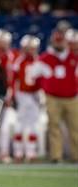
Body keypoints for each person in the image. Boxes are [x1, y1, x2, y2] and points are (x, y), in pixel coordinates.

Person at [30, 29, 78, 162]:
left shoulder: (73, 57)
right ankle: (56, 156)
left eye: (61, 41)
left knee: (75, 127)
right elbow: (32, 75)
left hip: (72, 97)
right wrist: (44, 84)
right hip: (52, 98)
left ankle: (76, 156)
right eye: (57, 41)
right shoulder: (45, 58)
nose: (59, 44)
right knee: (54, 127)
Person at [12, 35, 42, 162]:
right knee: (20, 124)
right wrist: (13, 95)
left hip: (34, 95)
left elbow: (43, 80)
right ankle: (18, 152)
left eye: (32, 48)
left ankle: (30, 152)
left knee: (33, 124)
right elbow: (13, 80)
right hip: (23, 95)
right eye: (28, 48)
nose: (30, 51)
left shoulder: (39, 61)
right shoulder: (20, 61)